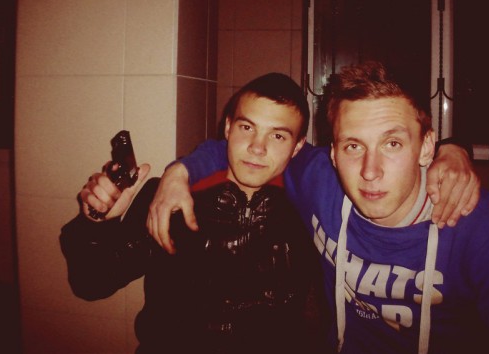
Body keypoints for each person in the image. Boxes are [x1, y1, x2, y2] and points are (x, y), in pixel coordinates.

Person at [149, 61, 489, 353]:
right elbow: (251, 150)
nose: (369, 171)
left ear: (426, 147)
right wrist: (179, 172)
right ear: (331, 152)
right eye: (353, 146)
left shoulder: (472, 219)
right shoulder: (318, 179)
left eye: (392, 144)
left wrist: (455, 150)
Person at [60, 73, 330, 354]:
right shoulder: (169, 197)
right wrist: (97, 223)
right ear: (228, 128)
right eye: (247, 127)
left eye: (277, 135)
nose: (257, 147)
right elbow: (90, 283)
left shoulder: (309, 209)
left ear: (298, 146)